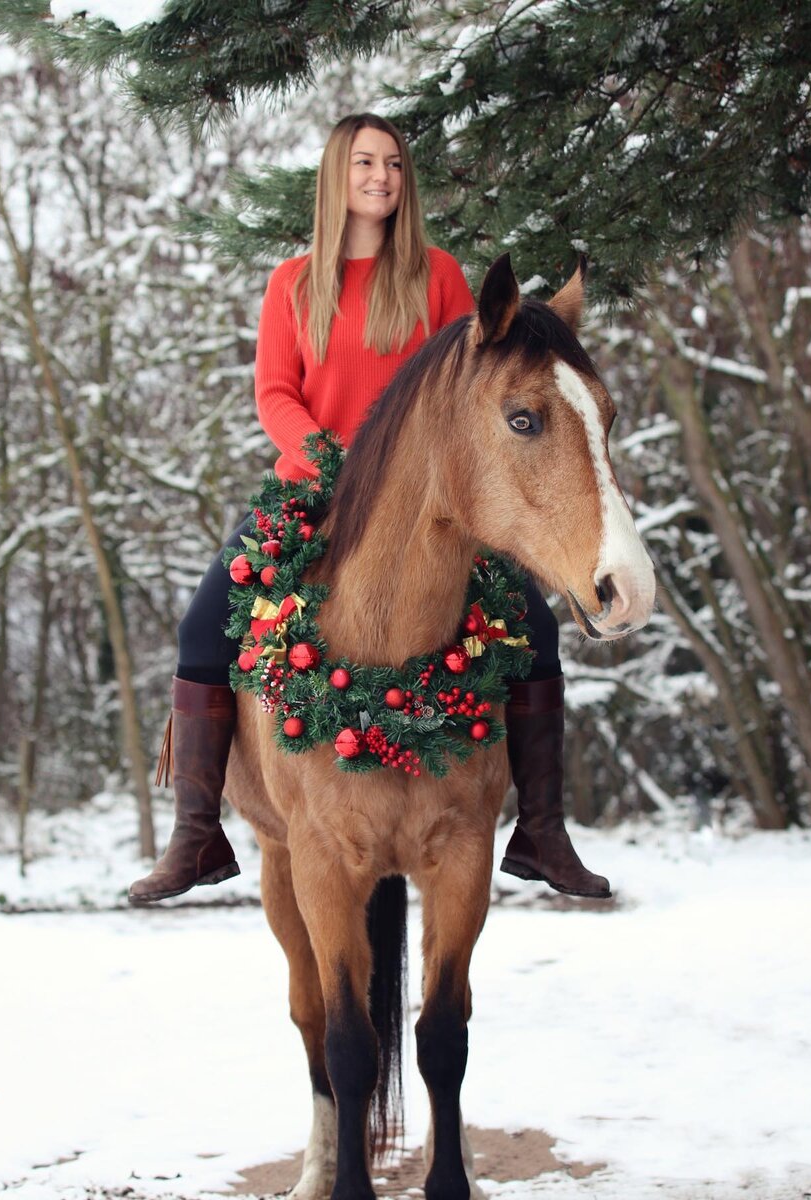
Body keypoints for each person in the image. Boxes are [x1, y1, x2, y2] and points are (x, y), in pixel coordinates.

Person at [128, 114, 610, 905]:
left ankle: (544, 830)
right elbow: (274, 391)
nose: (380, 176)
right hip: (312, 490)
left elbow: (471, 389)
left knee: (538, 623)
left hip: (427, 503)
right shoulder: (293, 281)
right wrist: (325, 458)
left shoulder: (441, 277)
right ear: (335, 175)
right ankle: (196, 834)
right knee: (200, 627)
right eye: (364, 162)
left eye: (392, 163)